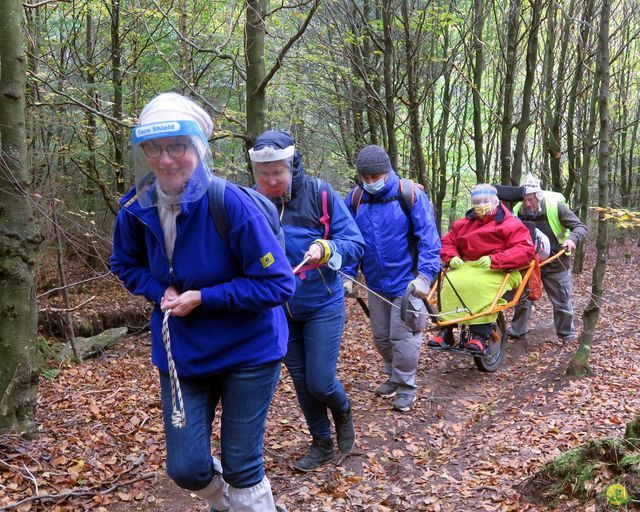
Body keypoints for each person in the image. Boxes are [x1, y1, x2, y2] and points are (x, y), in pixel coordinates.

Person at [110, 93, 294, 511]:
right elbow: (124, 263)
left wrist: (205, 297)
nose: (166, 159)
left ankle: (251, 503)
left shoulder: (230, 203)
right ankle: (238, 504)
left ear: (198, 149)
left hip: (249, 349)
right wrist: (160, 292)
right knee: (187, 468)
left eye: (178, 147)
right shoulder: (135, 209)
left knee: (242, 464)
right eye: (154, 148)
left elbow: (279, 284)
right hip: (184, 356)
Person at [249, 131, 365, 472]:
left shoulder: (321, 194)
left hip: (322, 303)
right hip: (278, 309)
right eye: (264, 174)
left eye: (278, 173)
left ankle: (342, 410)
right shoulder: (251, 200)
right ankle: (321, 443)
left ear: (291, 165)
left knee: (320, 380)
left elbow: (354, 241)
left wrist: (327, 248)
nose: (271, 181)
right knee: (301, 382)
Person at [343, 145, 441, 412]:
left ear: (387, 173)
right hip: (374, 282)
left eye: (375, 178)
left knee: (405, 336)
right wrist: (349, 274)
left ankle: (407, 387)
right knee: (381, 337)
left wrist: (425, 276)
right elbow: (349, 241)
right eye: (366, 178)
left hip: (407, 281)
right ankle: (395, 376)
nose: (371, 183)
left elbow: (429, 239)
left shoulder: (409, 195)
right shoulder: (355, 199)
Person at [432, 184, 535, 353]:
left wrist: (495, 259)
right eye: (477, 202)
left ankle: (479, 335)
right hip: (468, 266)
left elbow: (525, 250)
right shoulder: (463, 224)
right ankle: (446, 331)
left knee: (480, 287)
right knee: (450, 283)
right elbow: (448, 243)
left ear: (496, 201)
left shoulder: (510, 223)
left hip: (502, 268)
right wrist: (452, 257)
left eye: (485, 201)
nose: (481, 206)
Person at [508, 173, 588, 343]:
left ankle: (567, 335)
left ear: (538, 196)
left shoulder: (555, 207)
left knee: (561, 300)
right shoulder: (517, 210)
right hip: (529, 263)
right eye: (524, 200)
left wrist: (571, 240)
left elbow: (580, 227)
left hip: (556, 261)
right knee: (522, 298)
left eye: (531, 199)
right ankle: (517, 330)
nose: (527, 204)